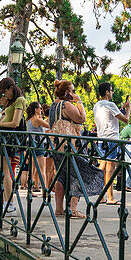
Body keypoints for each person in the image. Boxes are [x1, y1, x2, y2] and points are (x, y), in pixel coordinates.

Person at [49, 80, 103, 216]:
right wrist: (79, 102)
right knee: (76, 175)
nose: (74, 93)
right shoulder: (65, 105)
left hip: (56, 145)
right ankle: (73, 209)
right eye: (72, 91)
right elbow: (81, 118)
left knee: (61, 176)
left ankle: (59, 209)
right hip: (69, 145)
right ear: (66, 93)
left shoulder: (53, 105)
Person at [0, 77, 27, 214]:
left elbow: (15, 123)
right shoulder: (10, 103)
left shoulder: (20, 100)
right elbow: (3, 121)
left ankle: (10, 205)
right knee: (1, 172)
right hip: (1, 138)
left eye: (5, 92)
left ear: (11, 88)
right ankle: (6, 203)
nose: (4, 96)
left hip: (8, 138)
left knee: (5, 172)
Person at [92, 81, 130, 204]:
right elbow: (126, 120)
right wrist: (128, 109)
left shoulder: (97, 105)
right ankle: (110, 197)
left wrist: (121, 109)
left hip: (101, 138)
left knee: (102, 167)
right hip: (112, 138)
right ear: (107, 92)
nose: (112, 92)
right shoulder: (110, 104)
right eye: (111, 90)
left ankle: (100, 194)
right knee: (110, 168)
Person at [25, 100, 50, 195]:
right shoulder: (36, 119)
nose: (41, 110)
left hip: (31, 144)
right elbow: (49, 126)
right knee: (42, 169)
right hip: (39, 144)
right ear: (36, 110)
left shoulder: (29, 120)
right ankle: (45, 191)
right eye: (40, 108)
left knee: (32, 169)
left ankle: (29, 190)